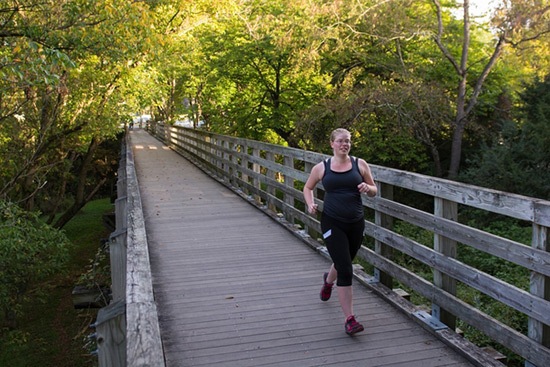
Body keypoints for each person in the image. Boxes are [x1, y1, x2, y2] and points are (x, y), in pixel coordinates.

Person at [303, 128, 377, 336]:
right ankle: (350, 320)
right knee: (346, 269)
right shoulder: (322, 168)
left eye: (348, 141)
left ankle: (328, 281)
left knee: (344, 261)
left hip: (356, 223)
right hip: (332, 222)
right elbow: (307, 188)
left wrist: (367, 188)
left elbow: (374, 190)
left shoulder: (359, 164)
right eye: (341, 141)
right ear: (332, 144)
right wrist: (310, 204)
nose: (345, 144)